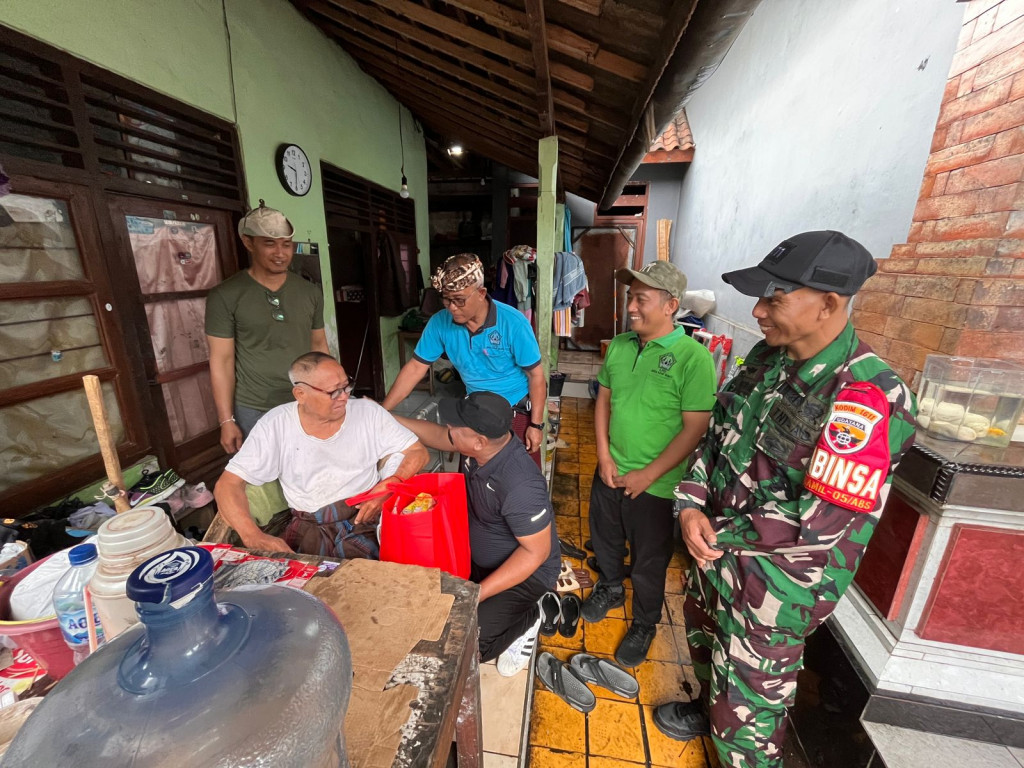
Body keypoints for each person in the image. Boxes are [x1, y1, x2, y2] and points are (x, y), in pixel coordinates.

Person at [653, 231, 917, 768]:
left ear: (829, 304)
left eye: (774, 299)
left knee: (748, 712)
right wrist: (691, 501)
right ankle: (705, 709)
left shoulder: (865, 395)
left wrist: (714, 529)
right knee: (707, 648)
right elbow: (719, 434)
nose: (757, 311)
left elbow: (818, 522)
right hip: (716, 554)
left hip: (776, 585)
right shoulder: (766, 358)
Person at [581, 261, 717, 668]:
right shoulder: (620, 346)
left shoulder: (693, 358)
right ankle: (609, 587)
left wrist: (649, 474)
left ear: (670, 305)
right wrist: (603, 455)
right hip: (610, 471)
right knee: (605, 539)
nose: (631, 306)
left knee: (648, 561)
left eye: (641, 299)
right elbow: (603, 401)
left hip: (657, 485)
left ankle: (644, 622)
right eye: (630, 297)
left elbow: (695, 428)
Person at [396, 391, 559, 676]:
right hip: (479, 558)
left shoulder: (521, 485)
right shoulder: (481, 449)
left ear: (479, 441)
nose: (448, 429)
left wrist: (477, 594)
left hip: (527, 574)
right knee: (428, 612)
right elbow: (439, 435)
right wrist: (388, 417)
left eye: (454, 427)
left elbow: (536, 553)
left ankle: (530, 617)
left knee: (467, 645)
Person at [214, 352, 428, 556]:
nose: (344, 397)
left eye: (346, 386)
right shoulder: (276, 425)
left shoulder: (368, 412)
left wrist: (391, 485)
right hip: (311, 525)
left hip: (366, 515)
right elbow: (227, 484)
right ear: (301, 394)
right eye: (333, 392)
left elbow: (418, 452)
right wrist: (253, 536)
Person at [382, 253, 547, 455]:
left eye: (459, 300)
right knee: (472, 470)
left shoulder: (513, 323)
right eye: (446, 299)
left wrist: (536, 425)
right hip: (475, 409)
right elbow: (415, 368)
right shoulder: (439, 323)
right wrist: (383, 411)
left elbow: (536, 375)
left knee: (516, 470)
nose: (452, 308)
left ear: (481, 293)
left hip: (514, 410)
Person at [206, 200, 329, 454]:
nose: (280, 253)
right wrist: (226, 420)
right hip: (255, 407)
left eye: (287, 244)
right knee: (265, 471)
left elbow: (319, 345)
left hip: (305, 399)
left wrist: (330, 391)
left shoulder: (310, 292)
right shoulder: (225, 295)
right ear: (248, 243)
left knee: (312, 463)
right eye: (269, 243)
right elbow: (222, 360)